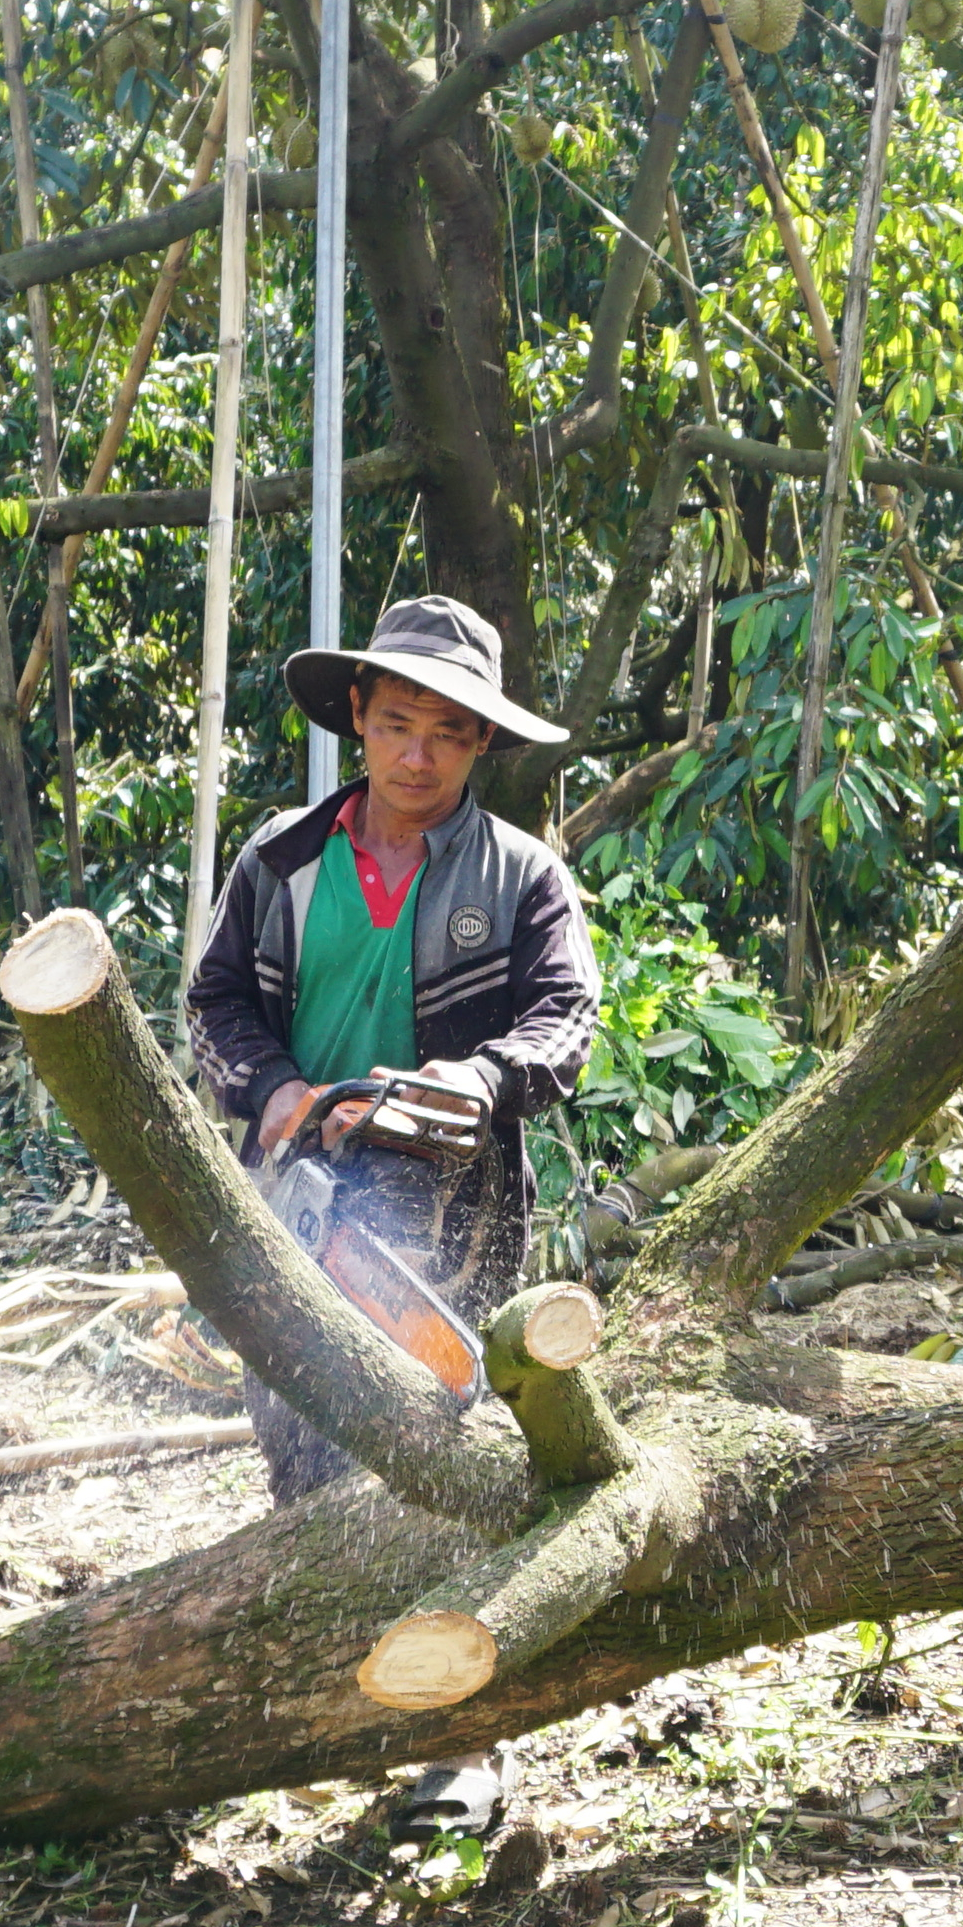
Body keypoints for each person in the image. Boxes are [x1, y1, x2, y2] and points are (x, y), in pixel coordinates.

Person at [188, 594, 601, 1504]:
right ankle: (307, 1592)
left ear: (482, 739)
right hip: (297, 1185)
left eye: (447, 734)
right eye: (397, 726)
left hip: (456, 1204)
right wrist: (275, 1091)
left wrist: (482, 1077)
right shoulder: (280, 861)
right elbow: (212, 1002)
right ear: (358, 714)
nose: (417, 757)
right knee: (300, 1435)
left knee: (444, 1433)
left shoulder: (522, 876)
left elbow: (567, 1016)